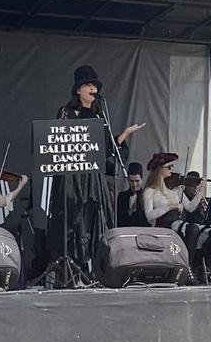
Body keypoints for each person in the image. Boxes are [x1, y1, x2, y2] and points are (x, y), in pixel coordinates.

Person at [48, 65, 146, 275]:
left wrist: (125, 134)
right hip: (71, 179)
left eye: (94, 85)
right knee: (73, 221)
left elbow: (106, 150)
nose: (93, 89)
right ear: (78, 90)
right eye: (88, 85)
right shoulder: (66, 112)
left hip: (92, 179)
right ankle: (71, 270)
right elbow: (62, 142)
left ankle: (94, 269)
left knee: (93, 219)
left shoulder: (99, 116)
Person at [142, 152, 207, 271]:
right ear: (160, 169)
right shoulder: (150, 191)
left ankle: (192, 266)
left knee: (203, 231)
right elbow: (149, 215)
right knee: (192, 229)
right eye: (169, 167)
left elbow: (190, 208)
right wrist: (170, 207)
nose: (172, 169)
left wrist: (200, 192)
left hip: (177, 223)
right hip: (163, 225)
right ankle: (186, 268)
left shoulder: (176, 189)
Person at [116, 162, 148, 227]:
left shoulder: (147, 195)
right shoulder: (122, 196)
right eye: (131, 181)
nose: (134, 185)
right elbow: (120, 220)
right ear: (127, 180)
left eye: (137, 181)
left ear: (142, 180)